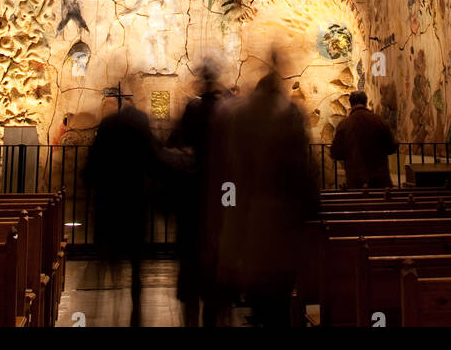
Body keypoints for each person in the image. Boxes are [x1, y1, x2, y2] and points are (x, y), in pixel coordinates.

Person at [214, 65, 320, 326]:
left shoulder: (242, 122)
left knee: (264, 300)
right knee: (279, 303)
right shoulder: (290, 121)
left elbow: (232, 185)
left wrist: (229, 250)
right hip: (284, 237)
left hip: (255, 236)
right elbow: (309, 189)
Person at [84, 91, 157, 326]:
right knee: (136, 263)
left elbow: (92, 165)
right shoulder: (140, 126)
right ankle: (136, 312)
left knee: (109, 258)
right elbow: (153, 160)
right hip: (134, 201)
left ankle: (101, 311)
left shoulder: (107, 126)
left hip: (110, 202)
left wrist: (90, 183)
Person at [167, 60, 226, 326]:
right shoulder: (226, 111)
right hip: (220, 197)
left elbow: (174, 143)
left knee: (191, 272)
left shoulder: (193, 109)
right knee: (215, 271)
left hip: (193, 198)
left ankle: (192, 318)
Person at [330, 91, 397, 188]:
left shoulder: (344, 124)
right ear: (365, 102)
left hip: (355, 181)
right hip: (380, 181)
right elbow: (391, 148)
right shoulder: (379, 120)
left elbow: (335, 153)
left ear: (351, 104)